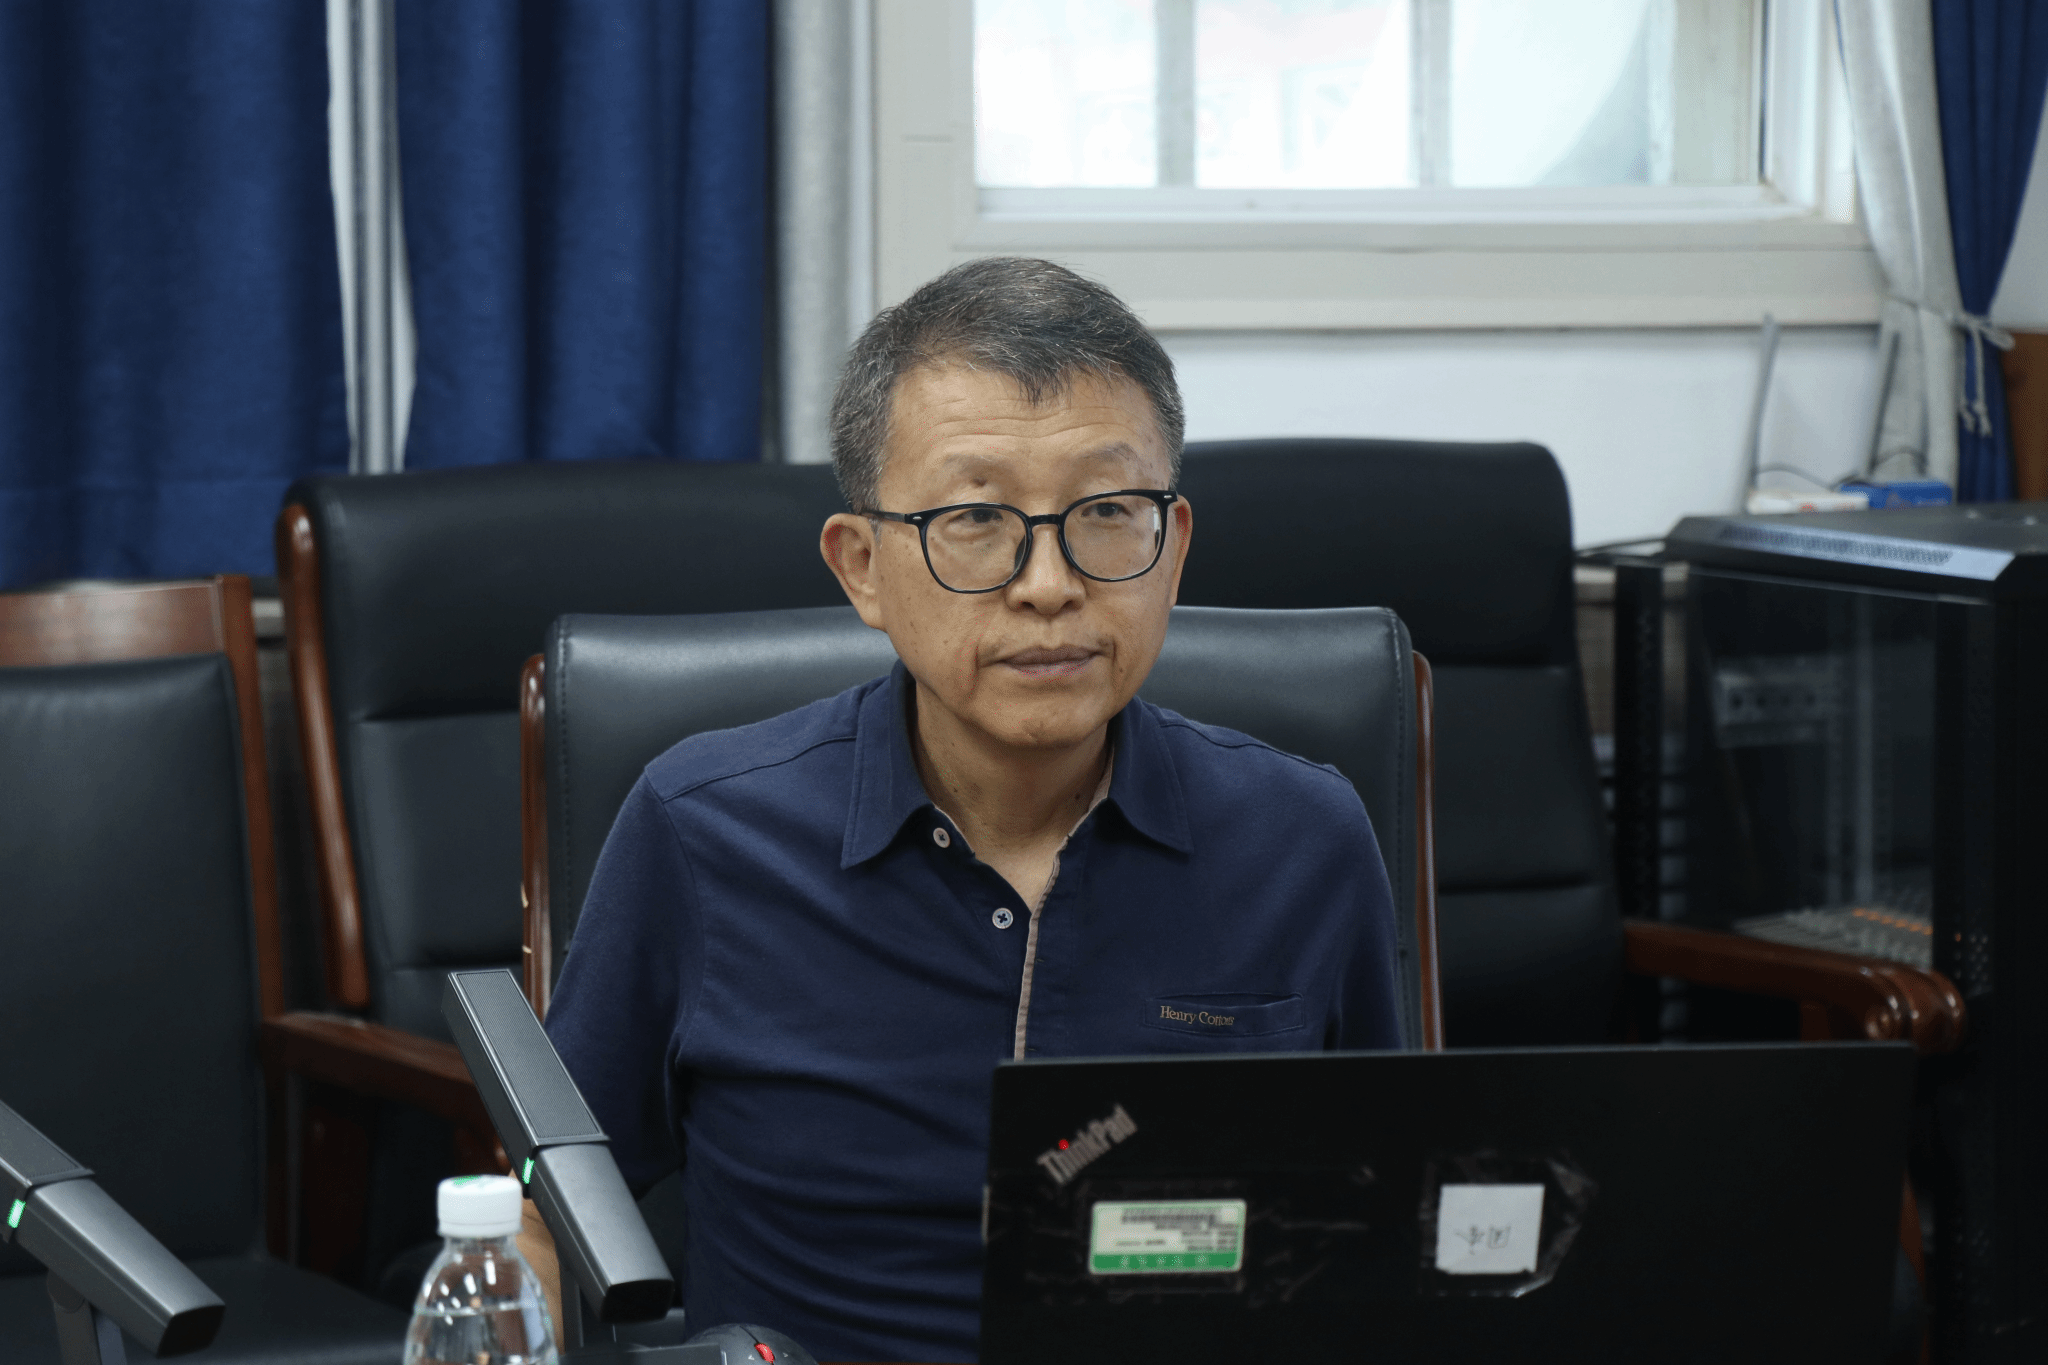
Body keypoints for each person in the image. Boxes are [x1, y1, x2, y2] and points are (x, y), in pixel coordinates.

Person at [541, 257, 1403, 1361]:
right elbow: (550, 1214)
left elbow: (1383, 1217)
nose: (1047, 584)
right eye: (976, 517)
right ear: (861, 566)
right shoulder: (703, 829)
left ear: (1173, 548)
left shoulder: (1303, 838)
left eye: (1107, 511)